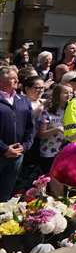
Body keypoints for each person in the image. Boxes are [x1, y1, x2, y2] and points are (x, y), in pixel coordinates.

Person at [0, 67, 36, 199]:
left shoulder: (23, 100)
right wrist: (4, 148)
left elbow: (30, 127)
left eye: (16, 78)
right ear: (1, 81)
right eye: (12, 78)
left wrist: (25, 146)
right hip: (2, 152)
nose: (17, 80)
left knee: (6, 193)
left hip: (17, 154)